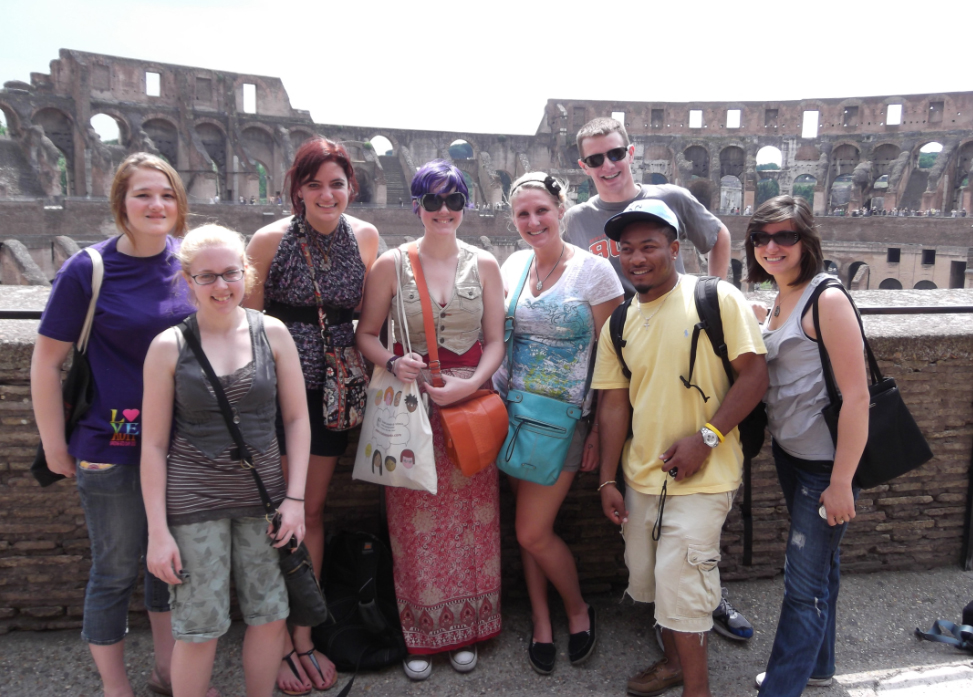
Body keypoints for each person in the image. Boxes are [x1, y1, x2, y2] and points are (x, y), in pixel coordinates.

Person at [564, 117, 752, 641]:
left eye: (614, 153)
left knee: (698, 491)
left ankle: (704, 599)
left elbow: (718, 236)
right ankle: (661, 605)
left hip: (681, 342)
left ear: (630, 153)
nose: (607, 165)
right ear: (583, 166)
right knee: (642, 487)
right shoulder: (578, 220)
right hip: (620, 351)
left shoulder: (669, 196)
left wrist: (718, 292)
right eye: (595, 159)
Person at [31, 152, 209, 697]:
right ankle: (115, 688)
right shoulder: (88, 269)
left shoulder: (190, 262)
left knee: (169, 567)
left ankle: (167, 674)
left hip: (181, 444)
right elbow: (46, 362)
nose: (157, 205)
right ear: (121, 203)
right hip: (110, 444)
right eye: (143, 195)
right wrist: (53, 444)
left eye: (167, 194)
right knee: (113, 572)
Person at [593, 199, 767, 697]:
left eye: (649, 246)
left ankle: (698, 690)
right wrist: (608, 479)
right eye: (627, 249)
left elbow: (754, 376)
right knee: (651, 581)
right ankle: (672, 664)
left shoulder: (715, 297)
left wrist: (706, 439)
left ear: (673, 249)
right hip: (642, 477)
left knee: (684, 586)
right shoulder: (620, 322)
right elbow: (613, 405)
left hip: (704, 477)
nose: (637, 258)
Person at [141, 225, 311, 697]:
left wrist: (295, 499)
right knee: (200, 625)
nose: (221, 286)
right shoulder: (168, 346)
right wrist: (157, 532)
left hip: (266, 500)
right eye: (207, 276)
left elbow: (296, 419)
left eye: (231, 273)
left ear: (246, 274)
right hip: (195, 501)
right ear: (188, 280)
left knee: (270, 614)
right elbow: (152, 445)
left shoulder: (272, 333)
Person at [356, 160, 506, 681]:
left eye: (454, 200)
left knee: (474, 523)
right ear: (416, 205)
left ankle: (469, 628)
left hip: (469, 406)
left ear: (465, 205)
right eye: (433, 201)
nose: (444, 211)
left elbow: (496, 341)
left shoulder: (484, 263)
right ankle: (421, 633)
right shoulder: (391, 265)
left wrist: (473, 383)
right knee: (413, 527)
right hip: (412, 407)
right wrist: (393, 361)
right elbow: (366, 334)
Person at [244, 137, 379, 694]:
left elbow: (370, 314)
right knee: (277, 516)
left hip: (334, 392)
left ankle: (305, 632)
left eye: (337, 184)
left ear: (351, 188)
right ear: (297, 189)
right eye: (314, 184)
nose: (327, 194)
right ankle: (273, 640)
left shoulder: (365, 237)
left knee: (312, 511)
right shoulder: (269, 240)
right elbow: (247, 325)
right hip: (279, 393)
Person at [493, 172, 623, 674]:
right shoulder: (514, 264)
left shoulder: (594, 273)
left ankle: (577, 609)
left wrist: (598, 432)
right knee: (528, 525)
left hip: (565, 420)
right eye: (522, 214)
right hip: (513, 414)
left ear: (561, 210)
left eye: (541, 210)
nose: (533, 221)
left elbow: (613, 362)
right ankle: (542, 619)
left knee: (531, 531)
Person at [745, 196, 869, 696]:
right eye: (761, 237)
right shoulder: (781, 296)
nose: (771, 246)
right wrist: (762, 317)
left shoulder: (828, 300)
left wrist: (841, 483)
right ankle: (820, 666)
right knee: (822, 570)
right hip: (791, 454)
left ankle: (781, 687)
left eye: (785, 237)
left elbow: (858, 397)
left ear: (806, 241)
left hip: (824, 466)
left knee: (802, 587)